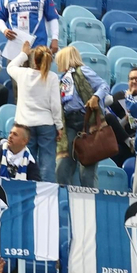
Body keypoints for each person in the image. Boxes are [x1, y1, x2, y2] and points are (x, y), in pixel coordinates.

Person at [54, 46, 112, 188]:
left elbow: (104, 85)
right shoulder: (62, 80)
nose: (57, 64)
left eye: (59, 60)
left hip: (85, 121)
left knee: (87, 168)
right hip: (68, 122)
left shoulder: (82, 71)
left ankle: (90, 198)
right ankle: (64, 195)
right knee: (62, 165)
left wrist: (96, 97)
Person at [6, 45, 63, 183]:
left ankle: (25, 189)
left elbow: (10, 66)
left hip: (24, 125)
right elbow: (55, 105)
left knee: (25, 160)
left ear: (34, 60)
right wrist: (59, 126)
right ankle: (46, 194)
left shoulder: (23, 73)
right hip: (46, 125)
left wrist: (23, 54)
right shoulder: (52, 77)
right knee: (47, 162)